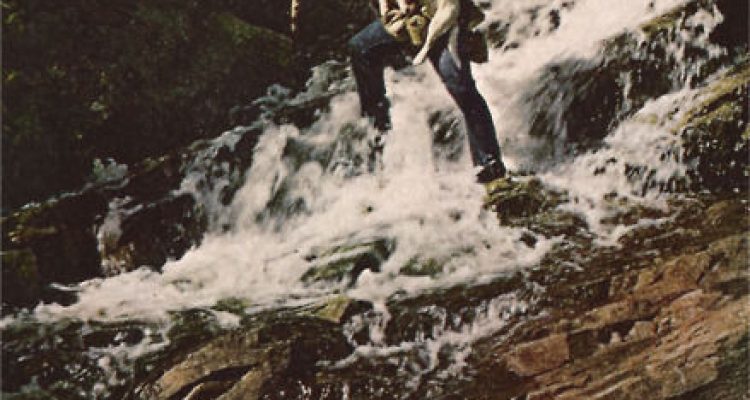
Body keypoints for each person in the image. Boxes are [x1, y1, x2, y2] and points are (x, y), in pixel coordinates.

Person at [348, 0, 507, 183]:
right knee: (360, 48)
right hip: (411, 18)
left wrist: (426, 47)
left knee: (462, 88)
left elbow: (450, 10)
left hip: (446, 19)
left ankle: (490, 166)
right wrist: (390, 13)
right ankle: (377, 138)